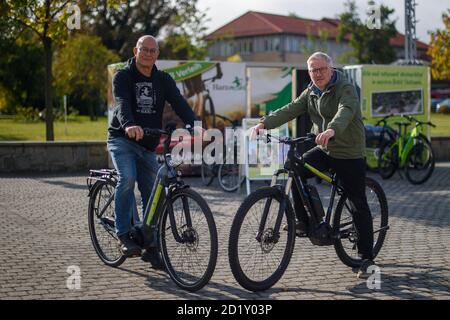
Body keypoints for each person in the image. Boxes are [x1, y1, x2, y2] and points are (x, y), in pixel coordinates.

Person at [249, 52, 375, 279]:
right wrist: (263, 123)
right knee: (295, 169)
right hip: (325, 148)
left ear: (331, 68)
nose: (317, 74)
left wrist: (331, 129)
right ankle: (304, 221)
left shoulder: (345, 87)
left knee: (358, 202)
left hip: (348, 151)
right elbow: (291, 108)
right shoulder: (311, 92)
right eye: (313, 70)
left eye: (321, 69)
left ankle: (366, 259)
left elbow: (345, 111)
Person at [108, 35, 197, 269]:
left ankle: (151, 245)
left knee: (154, 193)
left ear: (157, 54)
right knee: (127, 179)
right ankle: (124, 234)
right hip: (122, 140)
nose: (148, 54)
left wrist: (194, 124)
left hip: (147, 144)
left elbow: (179, 102)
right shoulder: (123, 76)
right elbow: (122, 103)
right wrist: (128, 125)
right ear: (135, 51)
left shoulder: (163, 79)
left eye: (152, 50)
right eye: (143, 49)